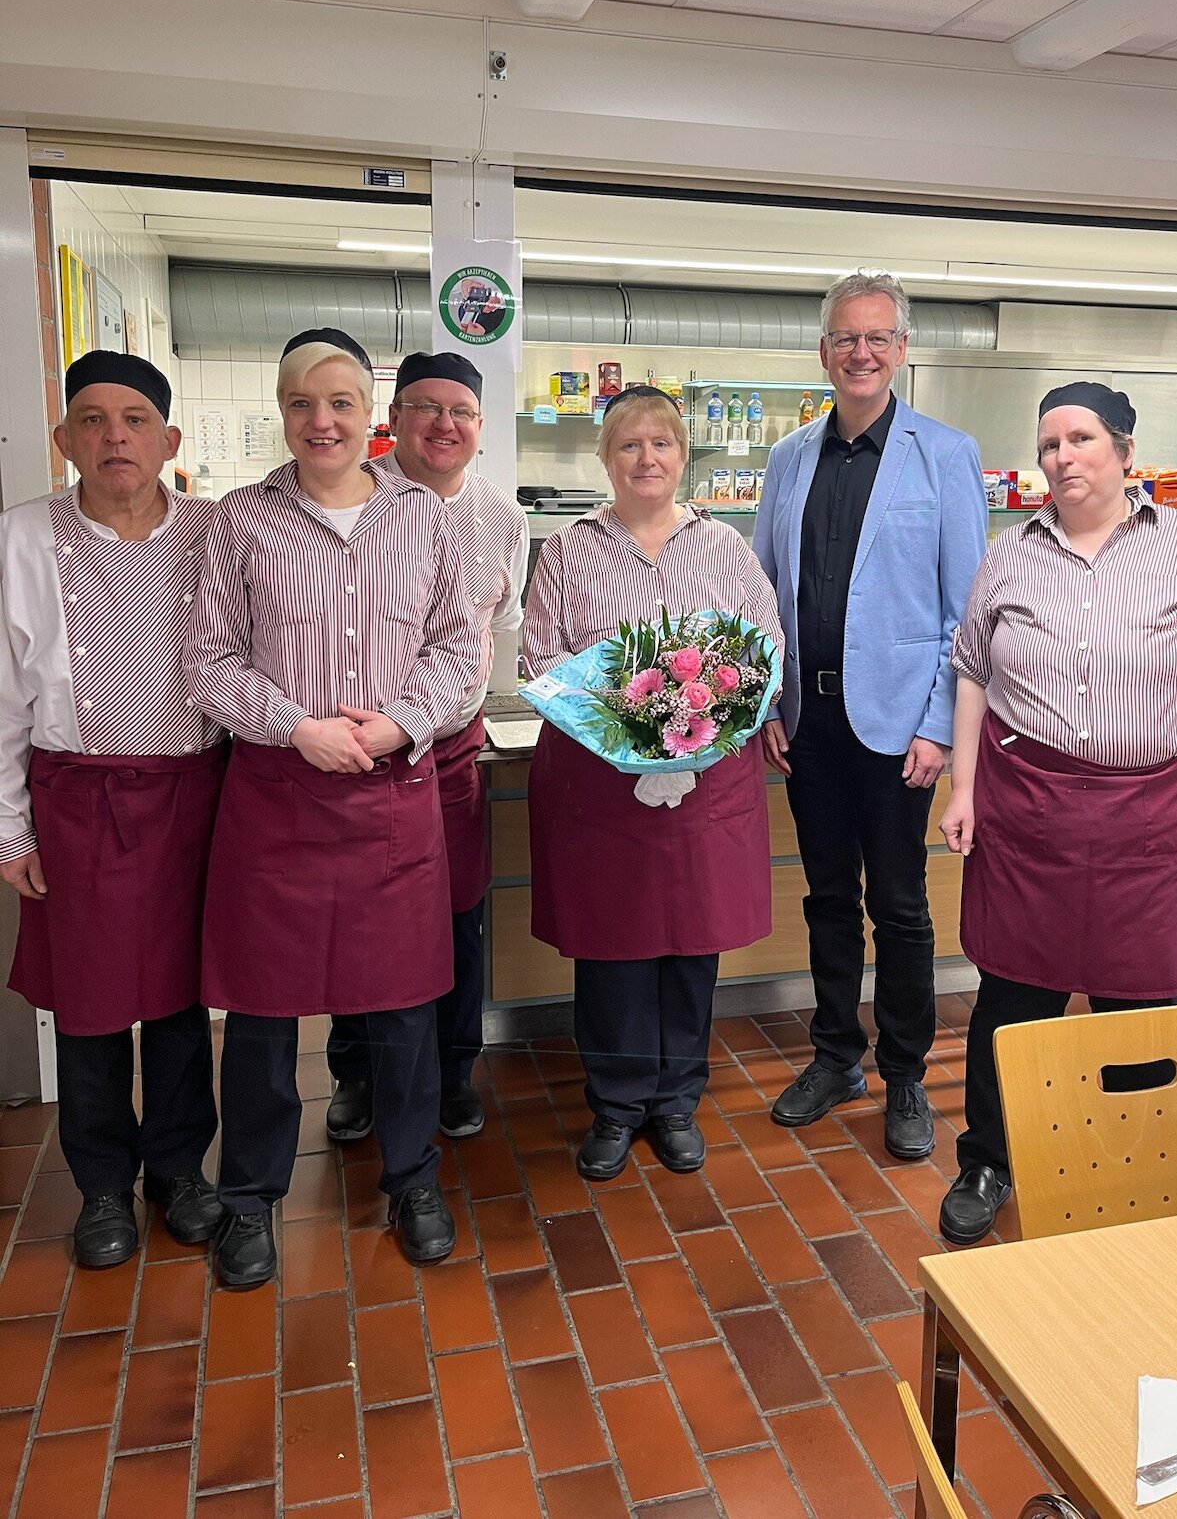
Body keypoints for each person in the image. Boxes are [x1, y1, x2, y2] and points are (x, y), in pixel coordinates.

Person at [184, 335, 482, 1287]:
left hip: (392, 795)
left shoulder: (423, 518)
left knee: (403, 1003)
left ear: (371, 414)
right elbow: (209, 659)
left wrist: (399, 722)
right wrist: (295, 727)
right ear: (282, 410)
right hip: (277, 795)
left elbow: (456, 648)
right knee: (263, 1014)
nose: (323, 421)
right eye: (302, 402)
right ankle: (250, 1196)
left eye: (342, 402)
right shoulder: (241, 521)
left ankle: (412, 1177)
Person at [938, 382, 1177, 1244]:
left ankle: (1136, 1160)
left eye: (1080, 439)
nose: (1061, 457)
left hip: (1154, 818)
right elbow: (972, 673)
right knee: (1011, 1000)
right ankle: (989, 1159)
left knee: (1142, 1005)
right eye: (1049, 444)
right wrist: (964, 787)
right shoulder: (1009, 554)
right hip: (1029, 812)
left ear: (1123, 451)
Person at [524, 386, 786, 1181]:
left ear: (683, 455)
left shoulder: (725, 547)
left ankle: (675, 1101)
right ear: (605, 458)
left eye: (661, 444)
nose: (647, 458)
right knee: (612, 948)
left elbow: (768, 648)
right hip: (600, 785)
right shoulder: (568, 550)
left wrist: (716, 714)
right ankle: (615, 1103)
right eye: (629, 445)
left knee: (691, 946)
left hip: (706, 784)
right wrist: (620, 720)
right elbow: (540, 659)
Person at [754, 269, 987, 1161]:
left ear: (901, 350)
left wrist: (938, 722)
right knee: (825, 898)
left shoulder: (945, 454)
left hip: (899, 728)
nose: (861, 351)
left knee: (898, 905)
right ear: (824, 351)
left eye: (877, 337)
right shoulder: (788, 458)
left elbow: (967, 611)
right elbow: (764, 593)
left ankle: (906, 1074)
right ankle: (834, 1056)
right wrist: (767, 701)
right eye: (846, 337)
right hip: (808, 722)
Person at [0, 351, 226, 1268]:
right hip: (76, 799)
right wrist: (9, 828)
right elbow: (1, 697)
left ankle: (178, 1168)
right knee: (88, 1005)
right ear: (64, 439)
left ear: (169, 439)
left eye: (134, 419)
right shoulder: (20, 536)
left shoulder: (216, 530)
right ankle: (101, 1183)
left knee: (180, 998)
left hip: (192, 794)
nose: (114, 437)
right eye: (91, 420)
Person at [326, 349, 528, 1146]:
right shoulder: (353, 496)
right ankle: (357, 1073)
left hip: (449, 752)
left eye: (462, 411)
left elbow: (496, 628)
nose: (445, 424)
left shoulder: (501, 516)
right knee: (360, 918)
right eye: (427, 407)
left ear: (480, 425)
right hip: (361, 753)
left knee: (458, 914)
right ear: (394, 418)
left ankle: (451, 1073)